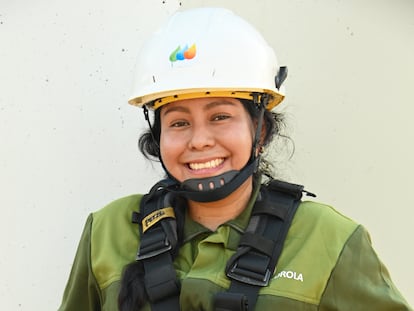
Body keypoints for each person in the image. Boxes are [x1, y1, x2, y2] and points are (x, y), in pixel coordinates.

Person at [58, 7, 412, 311]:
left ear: (259, 131)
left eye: (220, 117)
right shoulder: (106, 231)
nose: (199, 140)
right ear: (158, 136)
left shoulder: (331, 240)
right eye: (179, 122)